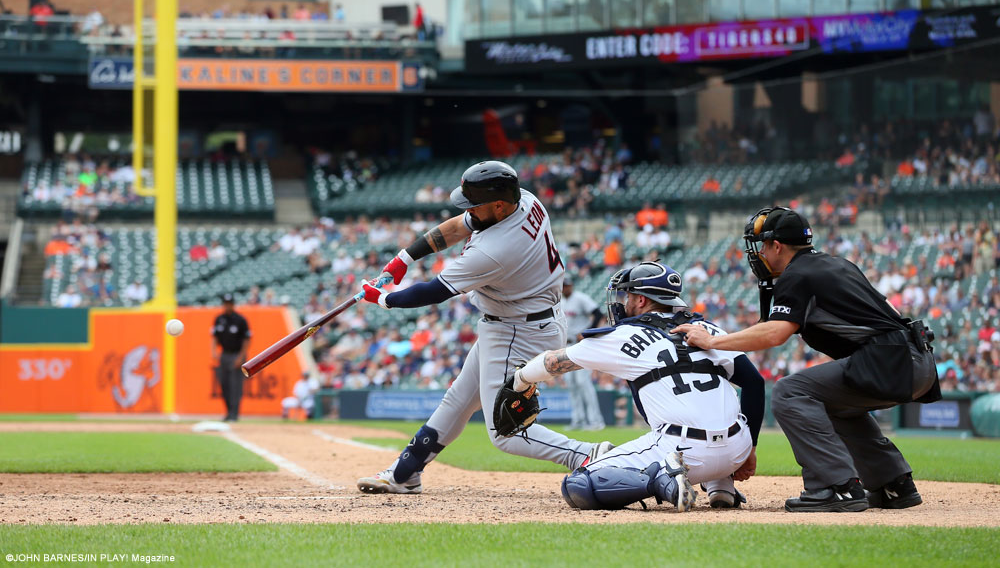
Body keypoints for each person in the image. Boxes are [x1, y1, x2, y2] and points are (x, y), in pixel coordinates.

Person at [356, 161, 610, 494]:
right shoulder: (525, 200)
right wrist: (404, 258)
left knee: (505, 432)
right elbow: (457, 227)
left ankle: (590, 455)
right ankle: (405, 474)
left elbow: (434, 291)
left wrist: (384, 299)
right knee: (459, 400)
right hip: (519, 321)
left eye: (475, 203)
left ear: (499, 205)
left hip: (518, 331)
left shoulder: (496, 250)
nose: (469, 210)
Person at [672, 206, 940, 512]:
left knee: (790, 391)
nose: (759, 253)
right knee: (832, 403)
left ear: (777, 246)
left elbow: (775, 333)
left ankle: (836, 487)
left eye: (762, 245)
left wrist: (712, 341)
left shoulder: (797, 273)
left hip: (890, 361)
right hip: (914, 358)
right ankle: (893, 484)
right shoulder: (833, 264)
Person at [511, 262, 764, 511]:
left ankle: (662, 479)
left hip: (682, 449)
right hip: (737, 450)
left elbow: (552, 362)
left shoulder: (623, 335)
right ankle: (721, 484)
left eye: (627, 295)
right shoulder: (707, 329)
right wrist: (749, 449)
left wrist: (520, 379)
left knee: (578, 484)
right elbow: (754, 382)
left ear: (641, 300)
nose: (624, 302)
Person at [561, 277, 605, 430]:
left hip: (581, 345)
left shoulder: (580, 298)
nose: (566, 288)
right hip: (567, 346)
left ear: (572, 285)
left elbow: (598, 314)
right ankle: (578, 420)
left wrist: (587, 332)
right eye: (563, 286)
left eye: (567, 285)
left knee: (583, 383)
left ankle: (595, 421)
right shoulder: (561, 302)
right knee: (572, 384)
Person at [212, 293, 252, 422]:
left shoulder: (240, 320)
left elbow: (246, 340)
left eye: (229, 304)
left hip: (237, 354)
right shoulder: (219, 319)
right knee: (224, 385)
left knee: (236, 385)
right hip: (224, 354)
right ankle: (229, 412)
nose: (227, 306)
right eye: (225, 304)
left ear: (233, 305)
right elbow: (215, 337)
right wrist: (214, 352)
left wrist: (241, 357)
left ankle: (234, 414)